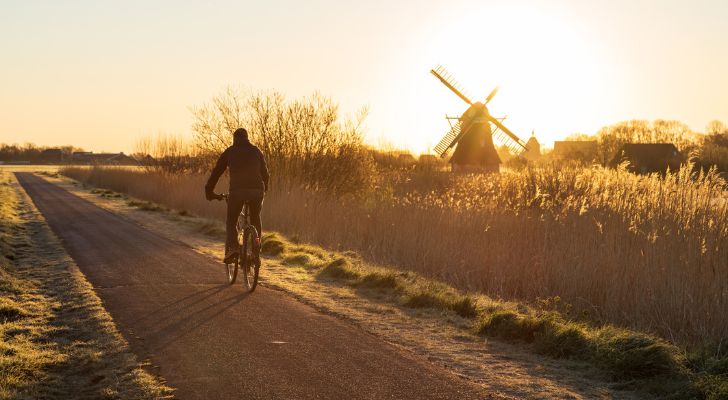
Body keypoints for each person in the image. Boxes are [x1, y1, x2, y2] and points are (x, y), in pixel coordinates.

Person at [205, 128, 269, 264]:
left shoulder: (230, 151)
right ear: (247, 138)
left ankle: (233, 248)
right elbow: (265, 173)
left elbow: (216, 172)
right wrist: (265, 188)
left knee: (232, 220)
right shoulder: (256, 150)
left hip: (237, 192)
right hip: (257, 191)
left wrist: (209, 191)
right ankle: (257, 248)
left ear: (234, 139)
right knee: (255, 217)